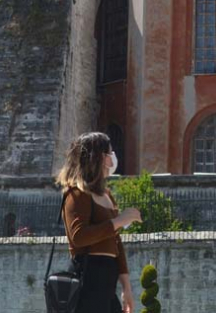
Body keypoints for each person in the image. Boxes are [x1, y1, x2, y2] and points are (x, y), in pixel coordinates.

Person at [56, 131, 142, 313]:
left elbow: (115, 242)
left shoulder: (106, 195)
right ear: (100, 157)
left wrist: (126, 287)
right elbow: (78, 236)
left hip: (107, 277)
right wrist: (119, 220)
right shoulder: (77, 194)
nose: (113, 157)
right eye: (109, 152)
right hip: (88, 274)